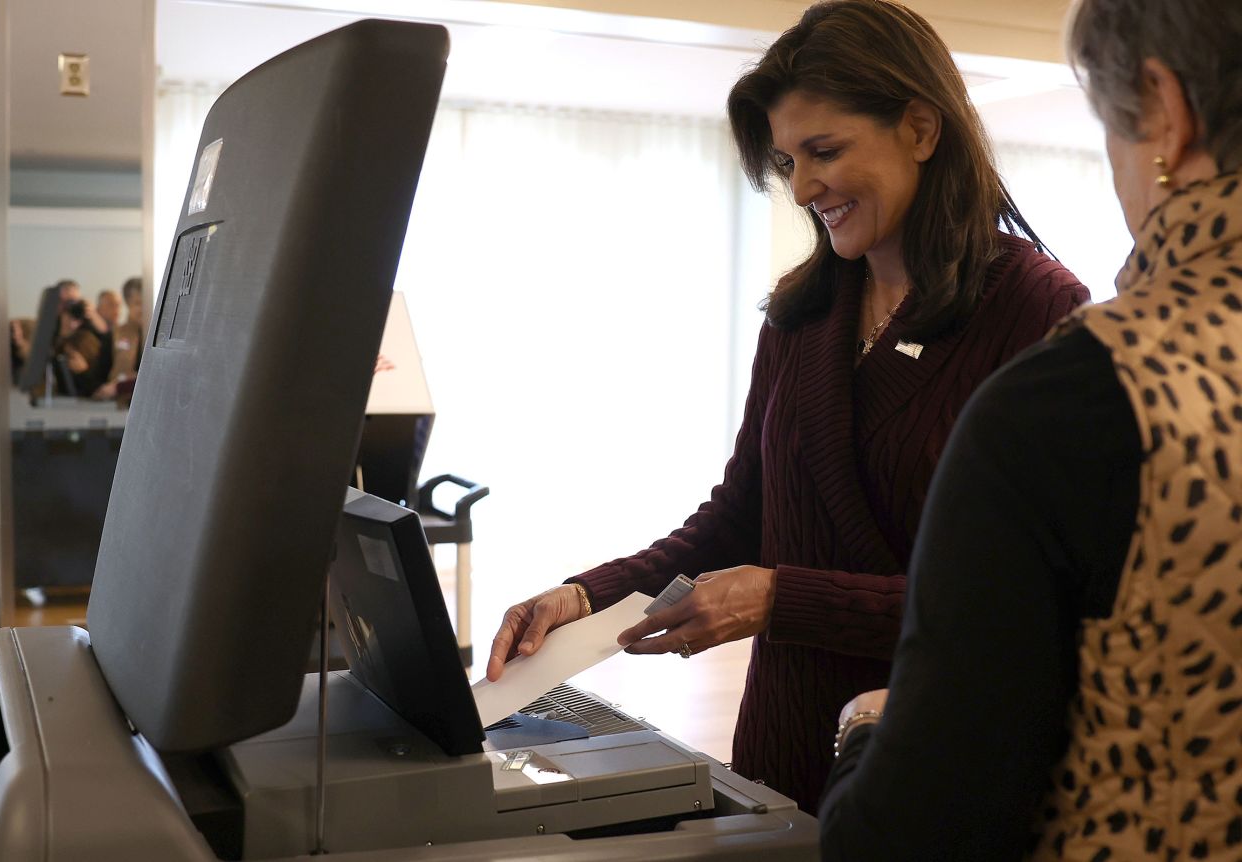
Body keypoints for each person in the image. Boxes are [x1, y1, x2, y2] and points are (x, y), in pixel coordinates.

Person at [485, 0, 1091, 813]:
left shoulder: (1038, 310)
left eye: (825, 151)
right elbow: (738, 518)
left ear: (920, 128)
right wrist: (584, 596)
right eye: (787, 161)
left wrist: (784, 599)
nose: (803, 188)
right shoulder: (804, 311)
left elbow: (1027, 606)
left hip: (931, 765)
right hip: (781, 749)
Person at [818, 0, 1242, 858]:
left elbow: (914, 835)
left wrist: (868, 729)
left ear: (1165, 111)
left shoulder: (1082, 394)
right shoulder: (814, 312)